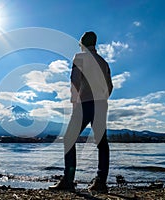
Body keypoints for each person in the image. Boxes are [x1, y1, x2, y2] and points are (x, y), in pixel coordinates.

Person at [49, 31, 113, 193]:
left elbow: (75, 80)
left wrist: (74, 101)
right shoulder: (104, 62)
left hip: (84, 103)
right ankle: (100, 182)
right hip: (101, 105)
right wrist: (102, 98)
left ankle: (68, 180)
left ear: (82, 43)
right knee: (101, 143)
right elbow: (110, 86)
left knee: (69, 139)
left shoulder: (80, 57)